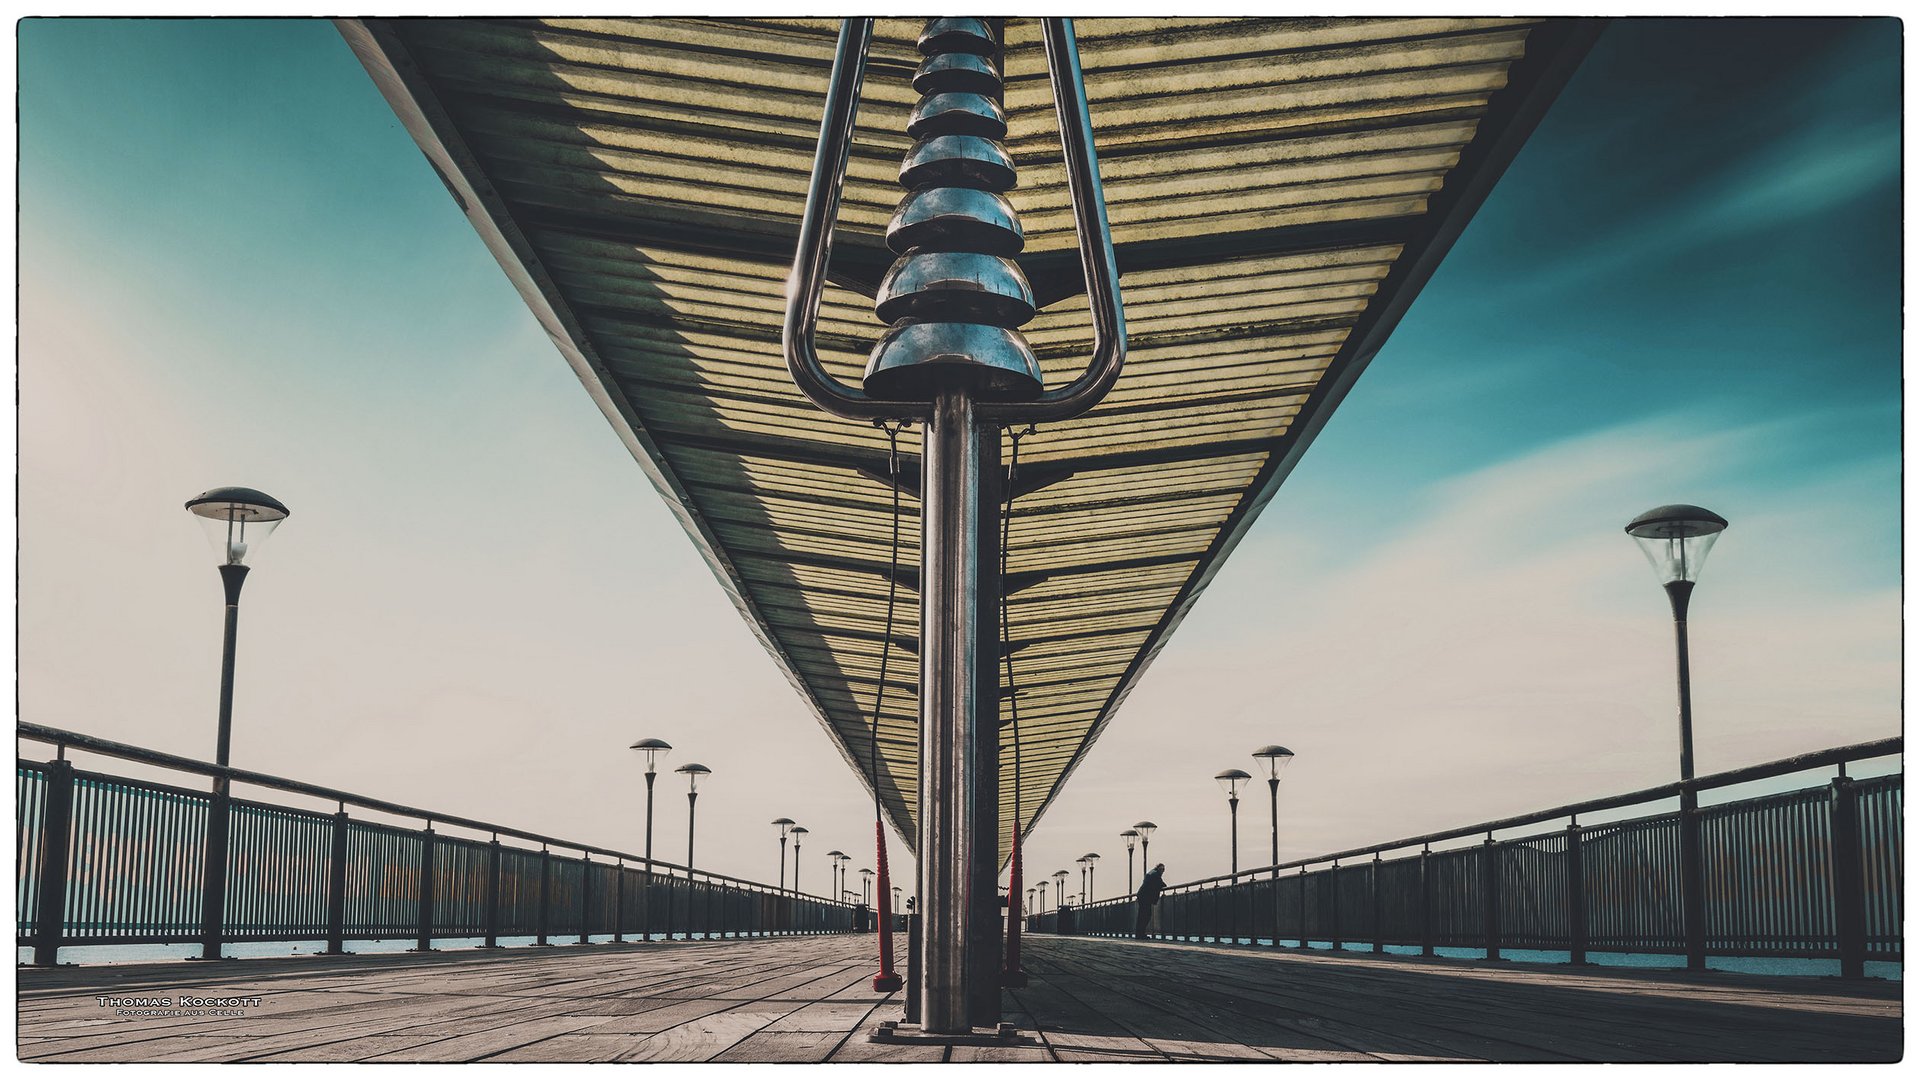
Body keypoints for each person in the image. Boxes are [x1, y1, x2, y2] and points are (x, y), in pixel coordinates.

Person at [1134, 863, 1166, 939]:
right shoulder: (1155, 874)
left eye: (1163, 870)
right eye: (1161, 869)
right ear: (1158, 869)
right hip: (1145, 897)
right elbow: (1162, 884)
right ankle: (1140, 934)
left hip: (1143, 896)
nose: (1162, 871)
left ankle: (1139, 934)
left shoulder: (1152, 873)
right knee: (1146, 915)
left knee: (1142, 916)